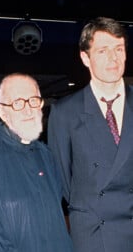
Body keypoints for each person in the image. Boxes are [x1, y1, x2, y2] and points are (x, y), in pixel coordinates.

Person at [0, 73, 73, 252]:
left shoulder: (46, 154)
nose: (28, 110)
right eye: (18, 103)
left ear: (41, 104)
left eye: (33, 100)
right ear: (1, 111)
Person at [47, 17, 133, 252]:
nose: (113, 59)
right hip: (93, 234)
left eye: (119, 49)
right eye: (103, 51)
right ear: (85, 58)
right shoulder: (64, 112)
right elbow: (62, 181)